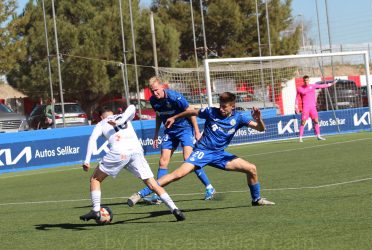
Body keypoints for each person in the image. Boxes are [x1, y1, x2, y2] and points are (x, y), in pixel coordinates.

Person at [128, 92, 275, 207]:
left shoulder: (239, 118)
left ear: (232, 106)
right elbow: (191, 111)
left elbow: (261, 129)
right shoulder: (211, 112)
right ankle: (141, 193)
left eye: (225, 107)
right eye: (221, 106)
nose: (221, 109)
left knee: (252, 169)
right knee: (178, 174)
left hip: (220, 155)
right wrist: (175, 117)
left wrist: (258, 119)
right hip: (202, 152)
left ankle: (256, 199)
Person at [79, 105, 185, 222]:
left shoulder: (101, 124)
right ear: (112, 112)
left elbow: (92, 139)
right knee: (153, 184)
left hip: (119, 152)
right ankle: (174, 209)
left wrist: (87, 160)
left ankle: (95, 209)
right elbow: (132, 107)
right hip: (136, 151)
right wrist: (123, 119)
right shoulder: (123, 116)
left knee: (95, 179)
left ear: (100, 117)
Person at [128, 76, 215, 206]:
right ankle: (157, 194)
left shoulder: (175, 97)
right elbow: (159, 116)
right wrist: (156, 134)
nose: (155, 93)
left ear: (162, 87)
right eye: (152, 91)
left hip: (185, 130)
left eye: (156, 90)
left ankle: (209, 187)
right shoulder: (153, 100)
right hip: (170, 131)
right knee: (163, 161)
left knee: (189, 159)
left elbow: (190, 112)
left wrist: (197, 131)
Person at [295, 75, 335, 142]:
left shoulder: (313, 86)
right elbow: (296, 98)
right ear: (303, 81)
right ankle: (300, 138)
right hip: (305, 108)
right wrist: (296, 106)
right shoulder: (300, 88)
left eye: (307, 80)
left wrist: (330, 84)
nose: (306, 81)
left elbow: (322, 86)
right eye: (305, 80)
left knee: (316, 121)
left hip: (313, 107)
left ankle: (318, 136)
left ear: (309, 80)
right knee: (303, 122)